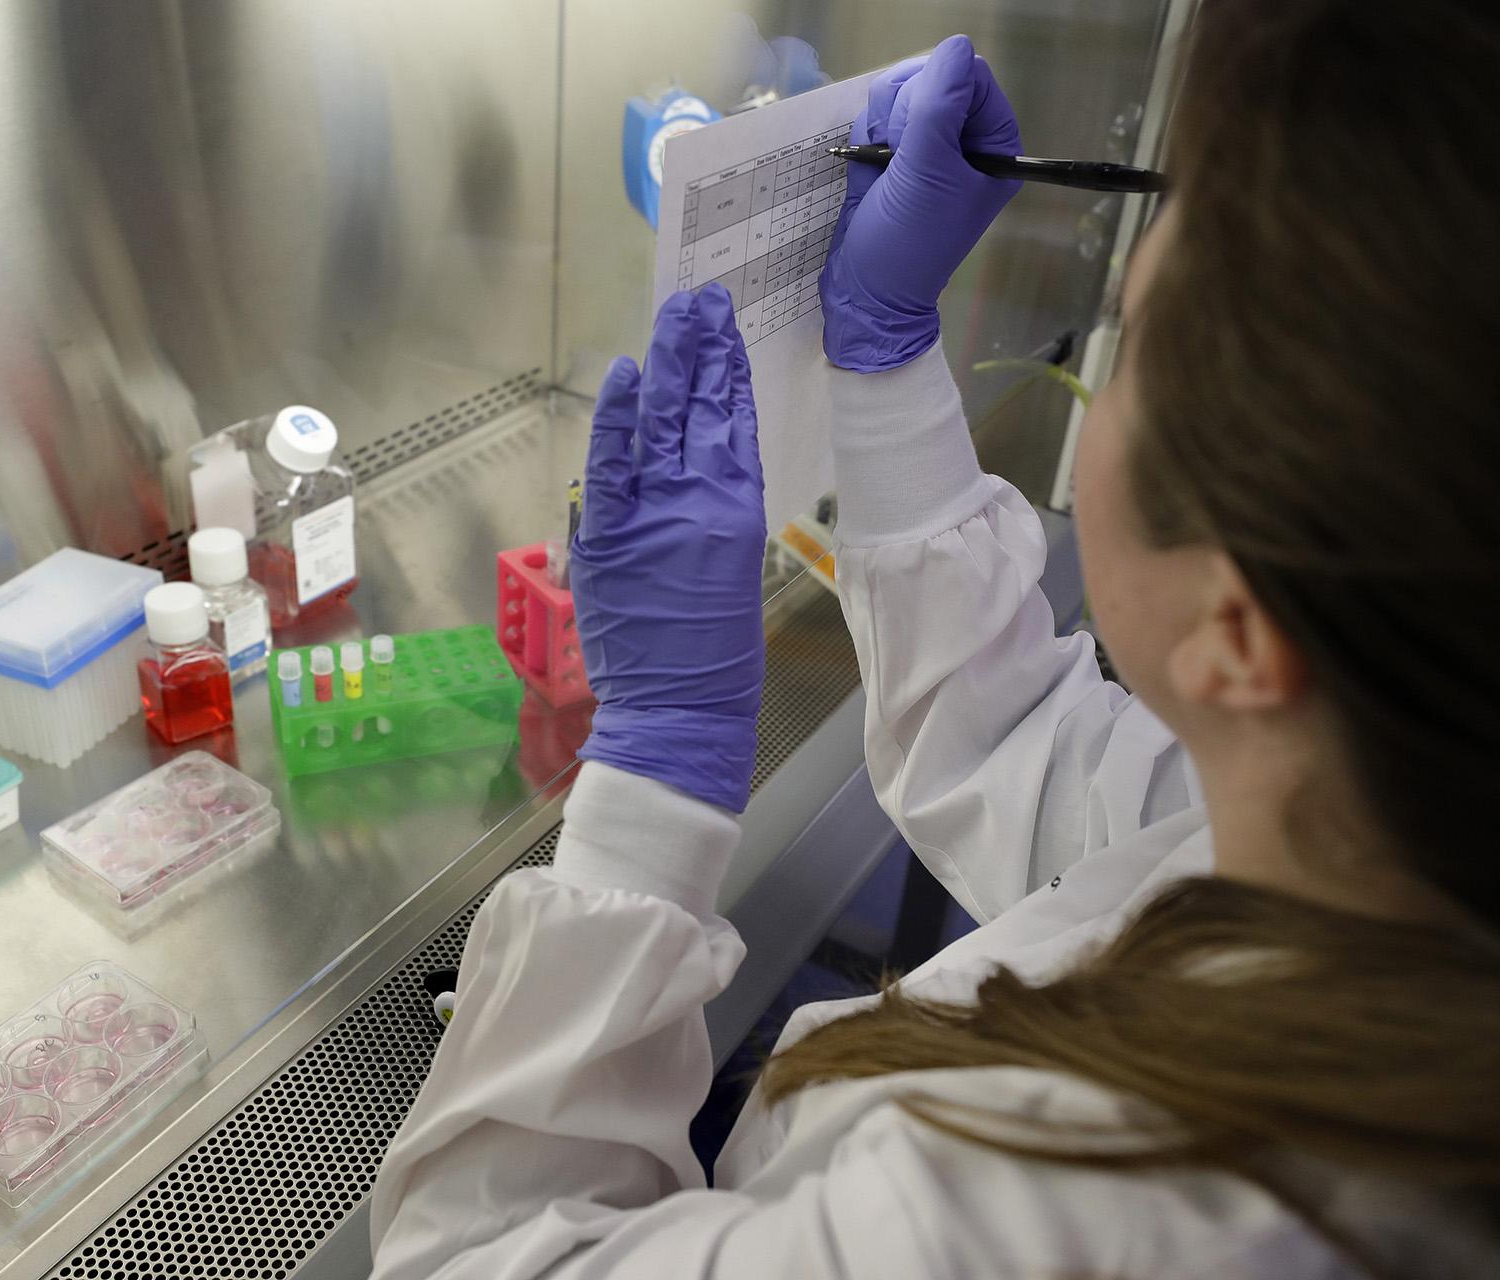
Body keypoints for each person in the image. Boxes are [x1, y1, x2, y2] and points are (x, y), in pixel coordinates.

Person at [371, 4, 1500, 1275]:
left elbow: (486, 1254)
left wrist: (652, 775)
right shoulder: (1390, 850)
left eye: (1134, 354)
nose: (1106, 385)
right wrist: (889, 356)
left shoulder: (1066, 1212)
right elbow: (1026, 743)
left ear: (1240, 630)